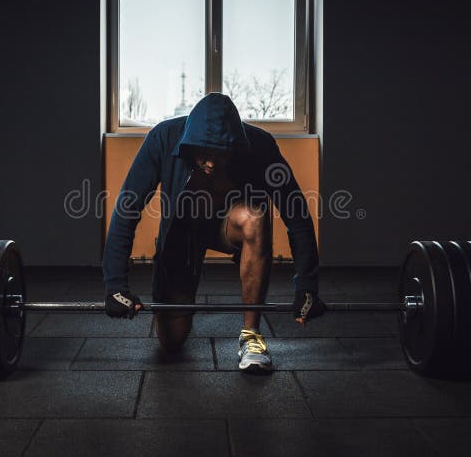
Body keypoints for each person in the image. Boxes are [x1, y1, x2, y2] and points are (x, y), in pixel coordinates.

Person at [102, 92, 325, 373]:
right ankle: (178, 300)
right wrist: (115, 286)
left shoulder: (261, 147)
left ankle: (251, 336)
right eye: (203, 153)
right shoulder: (163, 138)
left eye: (219, 155)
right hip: (181, 234)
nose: (210, 163)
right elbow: (127, 210)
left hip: (229, 225)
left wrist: (307, 286)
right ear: (189, 143)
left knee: (255, 217)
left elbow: (297, 216)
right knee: (171, 343)